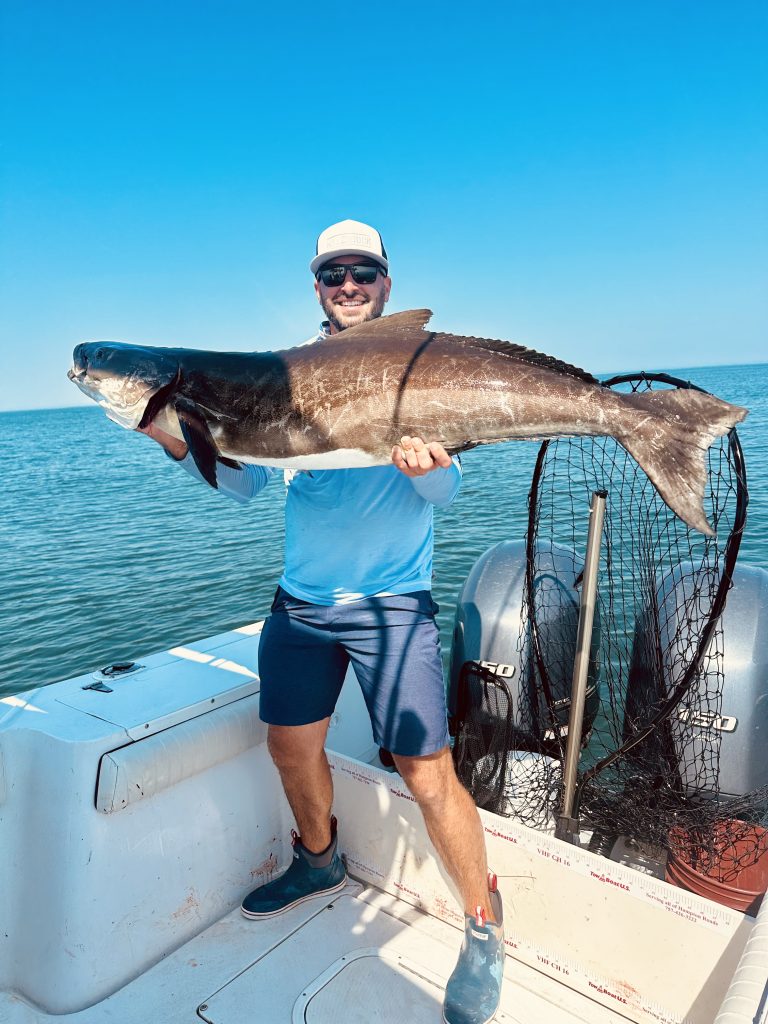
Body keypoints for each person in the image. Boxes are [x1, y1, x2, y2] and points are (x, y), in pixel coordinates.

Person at [140, 219, 505, 1024]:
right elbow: (247, 488)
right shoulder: (284, 373)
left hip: (393, 608)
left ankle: (484, 923)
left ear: (386, 283)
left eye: (363, 272)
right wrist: (175, 444)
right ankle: (319, 860)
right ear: (317, 285)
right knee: (290, 746)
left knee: (426, 771)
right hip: (303, 604)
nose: (349, 285)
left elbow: (443, 496)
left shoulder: (419, 367)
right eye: (335, 273)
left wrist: (432, 468)